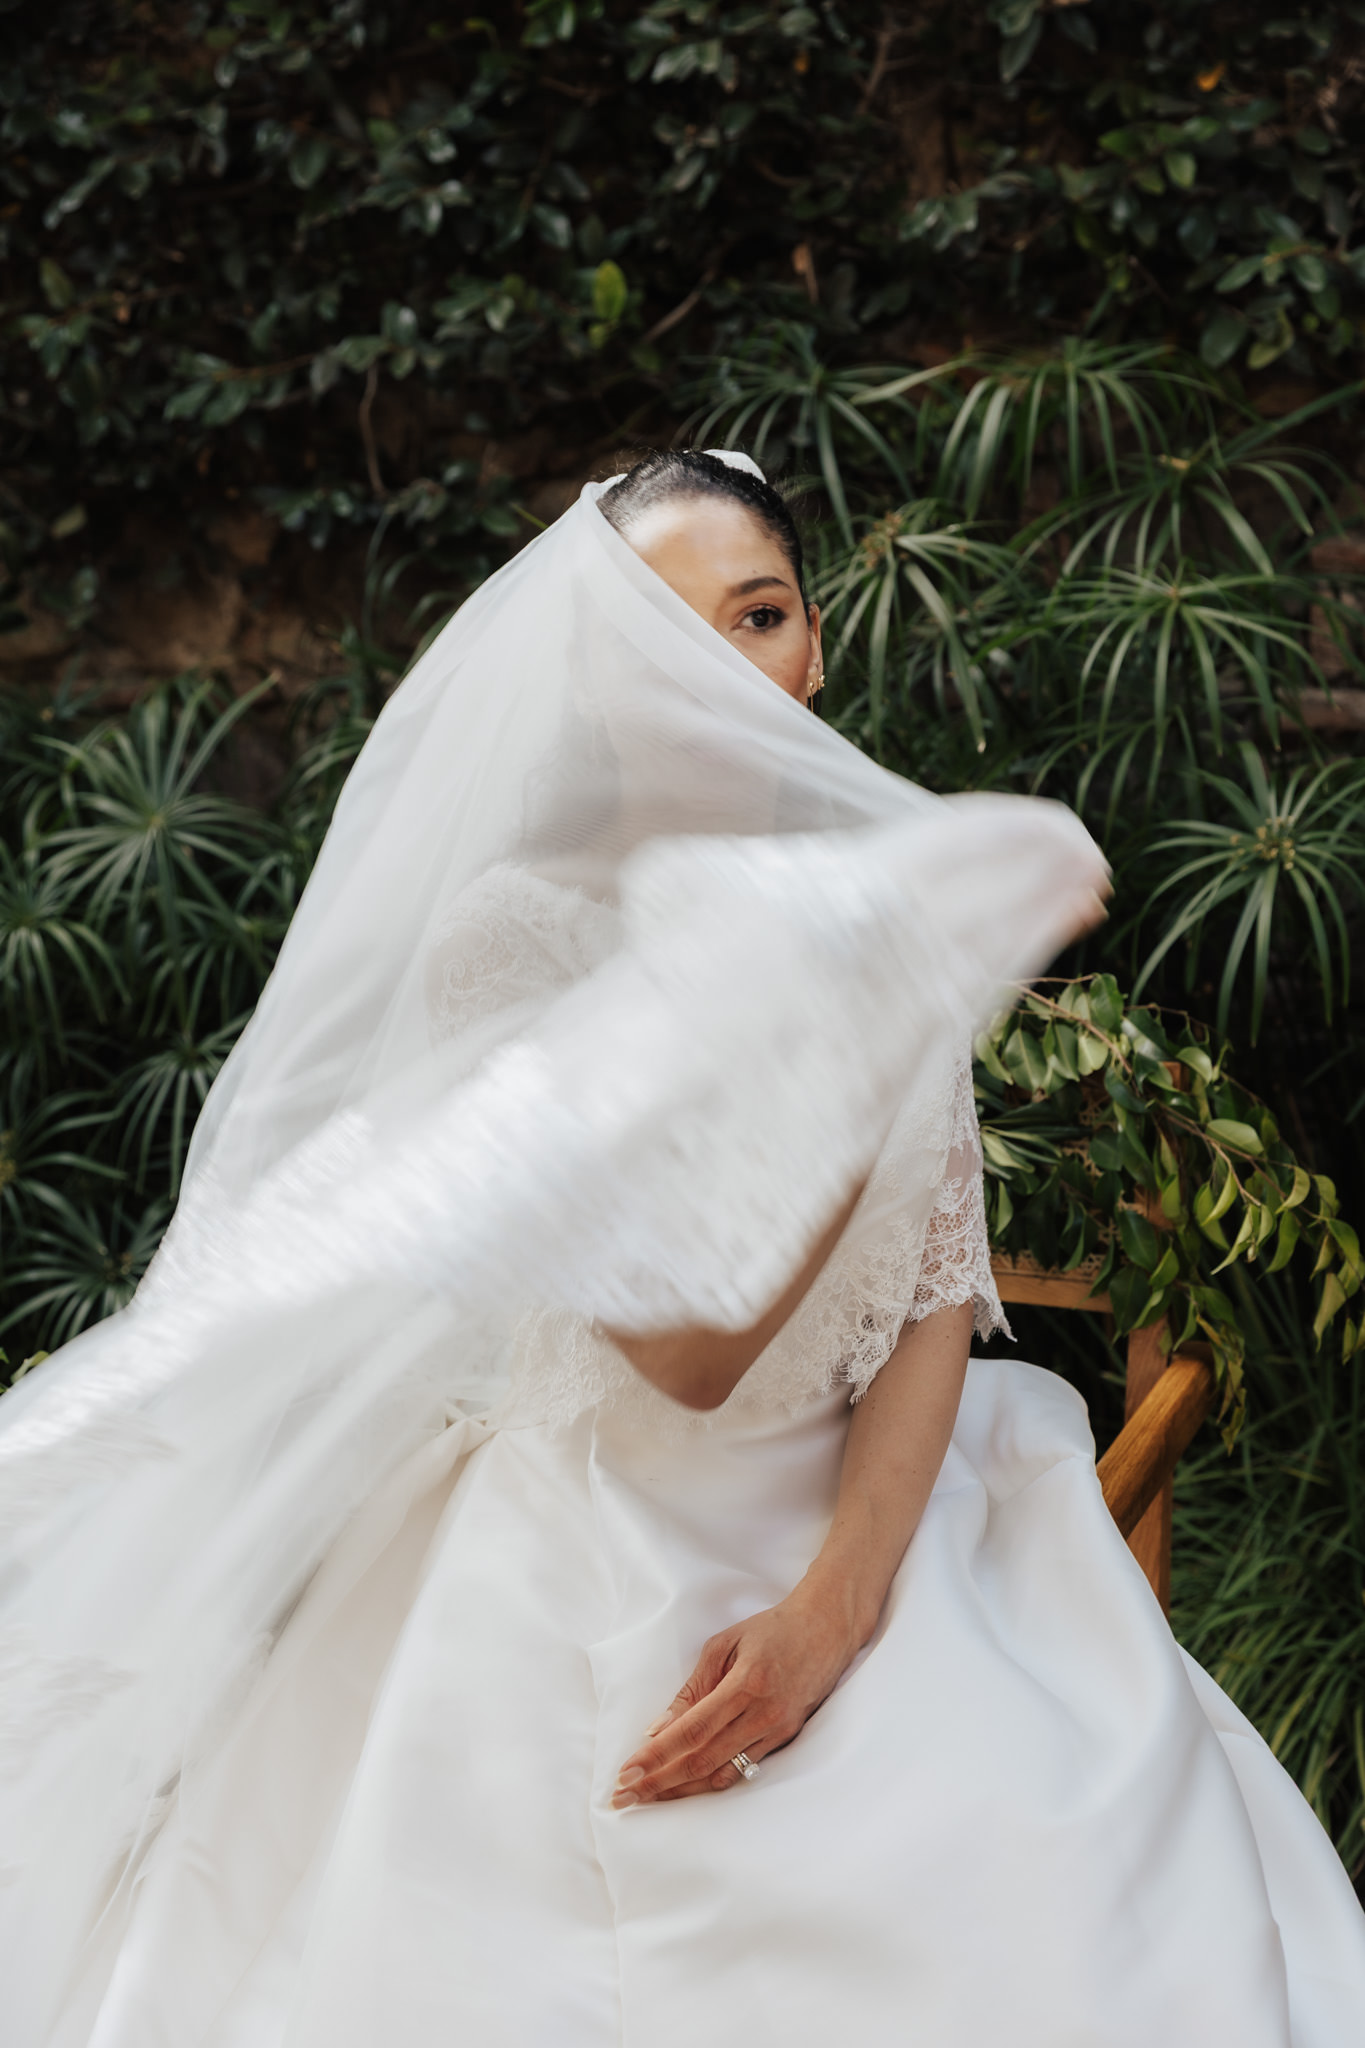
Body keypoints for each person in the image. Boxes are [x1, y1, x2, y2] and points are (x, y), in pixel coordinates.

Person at [1, 451, 1362, 2048]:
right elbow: (685, 1352)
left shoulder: (871, 896)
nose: (722, 666)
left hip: (874, 1501)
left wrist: (837, 1611)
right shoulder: (520, 936)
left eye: (759, 614)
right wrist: (896, 985)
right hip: (595, 1517)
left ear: (817, 644)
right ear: (598, 682)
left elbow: (929, 1298)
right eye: (661, 634)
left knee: (1045, 1860)